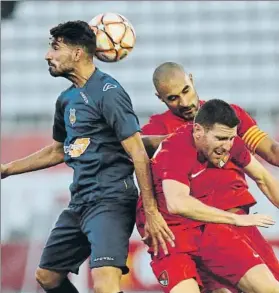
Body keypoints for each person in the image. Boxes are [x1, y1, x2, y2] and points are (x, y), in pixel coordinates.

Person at [0, 21, 174, 293]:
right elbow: (59, 149)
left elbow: (138, 152)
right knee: (47, 277)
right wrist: (8, 169)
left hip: (111, 199)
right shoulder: (66, 100)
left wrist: (150, 211)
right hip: (80, 200)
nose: (48, 55)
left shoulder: (109, 93)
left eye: (55, 48)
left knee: (105, 283)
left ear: (78, 53)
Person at [138, 62, 279, 293]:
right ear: (160, 98)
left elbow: (269, 159)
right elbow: (138, 159)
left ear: (191, 80)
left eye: (185, 90)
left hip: (235, 224)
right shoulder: (162, 133)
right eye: (173, 98)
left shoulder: (227, 118)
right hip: (192, 226)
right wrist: (151, 213)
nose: (184, 102)